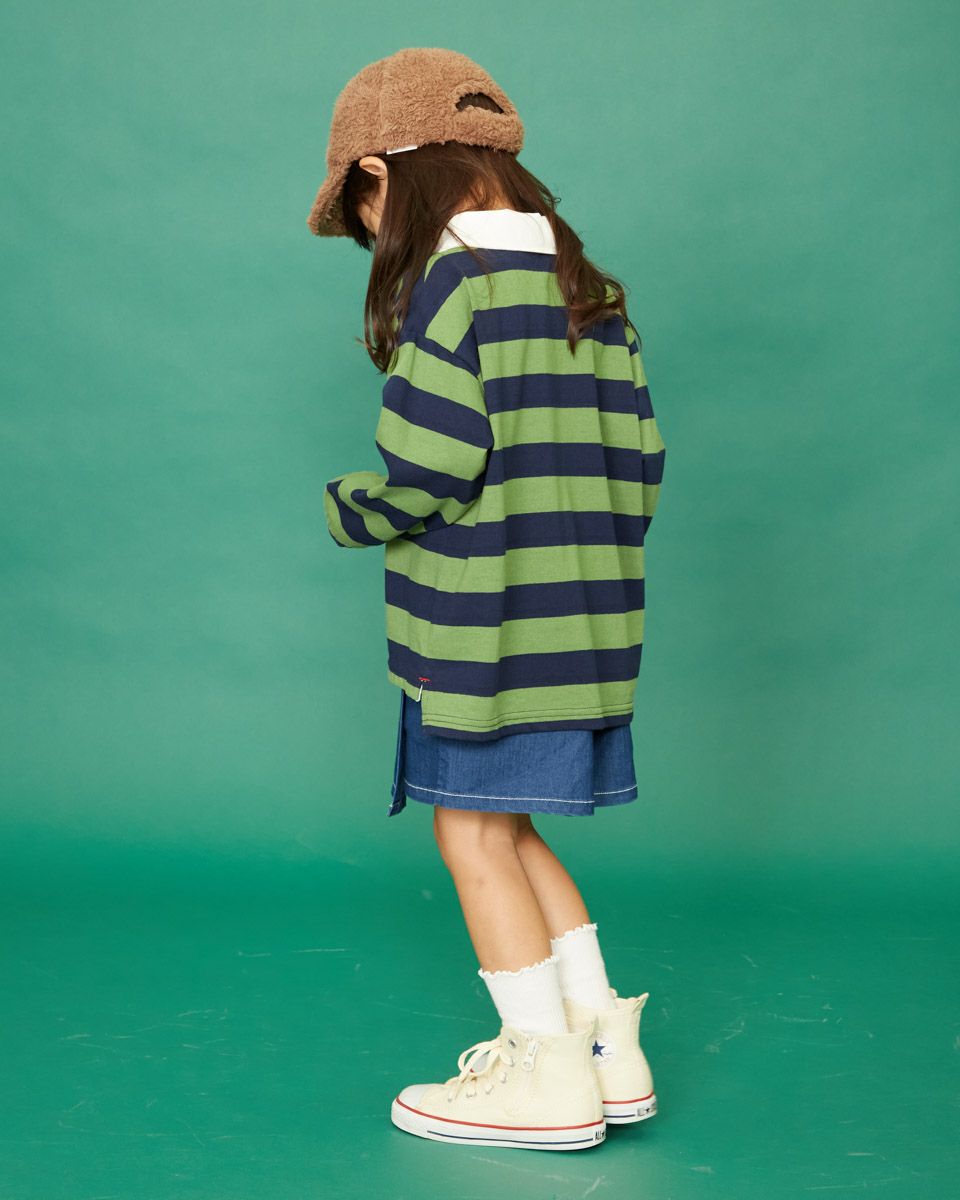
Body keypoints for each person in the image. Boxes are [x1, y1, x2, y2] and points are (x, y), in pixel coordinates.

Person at [305, 47, 666, 1151]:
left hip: (482, 628)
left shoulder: (453, 286)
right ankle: (607, 1050)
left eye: (361, 210)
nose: (372, 236)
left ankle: (543, 1075)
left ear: (380, 171)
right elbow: (641, 464)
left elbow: (429, 471)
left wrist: (349, 508)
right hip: (584, 626)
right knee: (510, 827)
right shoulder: (590, 290)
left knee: (468, 833)